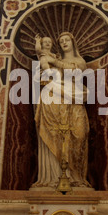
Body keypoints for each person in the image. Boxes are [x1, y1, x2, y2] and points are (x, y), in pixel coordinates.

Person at [32, 32, 91, 189]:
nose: (64, 43)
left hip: (76, 101)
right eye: (61, 41)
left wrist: (54, 62)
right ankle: (58, 177)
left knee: (79, 135)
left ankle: (77, 177)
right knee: (57, 135)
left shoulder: (79, 61)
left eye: (67, 40)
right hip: (57, 101)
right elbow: (44, 75)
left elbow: (76, 70)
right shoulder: (53, 60)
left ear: (73, 42)